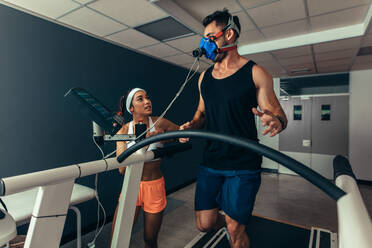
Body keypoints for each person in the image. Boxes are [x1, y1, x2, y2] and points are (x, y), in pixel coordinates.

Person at [179, 9, 288, 248]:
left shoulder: (255, 73)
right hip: (211, 162)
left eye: (210, 36)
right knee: (204, 224)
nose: (205, 43)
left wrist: (276, 121)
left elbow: (278, 113)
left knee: (235, 232)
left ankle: (236, 226)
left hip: (243, 164)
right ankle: (232, 221)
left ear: (229, 34)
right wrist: (192, 124)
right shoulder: (203, 78)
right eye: (203, 37)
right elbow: (201, 114)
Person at [111, 88, 179, 248]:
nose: (147, 101)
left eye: (147, 97)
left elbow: (182, 133)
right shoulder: (123, 130)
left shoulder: (158, 122)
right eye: (140, 99)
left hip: (154, 186)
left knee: (150, 239)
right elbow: (121, 170)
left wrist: (168, 137)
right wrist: (143, 143)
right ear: (131, 108)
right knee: (117, 238)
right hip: (131, 186)